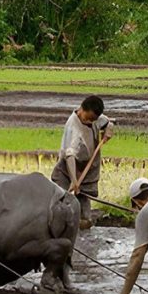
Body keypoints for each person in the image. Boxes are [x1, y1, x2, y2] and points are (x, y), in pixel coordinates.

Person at [51, 95, 113, 229]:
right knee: (62, 207)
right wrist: (74, 180)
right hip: (67, 169)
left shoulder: (94, 119)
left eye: (93, 119)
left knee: (85, 216)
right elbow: (70, 156)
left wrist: (109, 129)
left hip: (87, 169)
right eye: (88, 118)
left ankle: (82, 231)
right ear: (81, 109)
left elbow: (107, 121)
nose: (90, 121)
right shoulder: (73, 127)